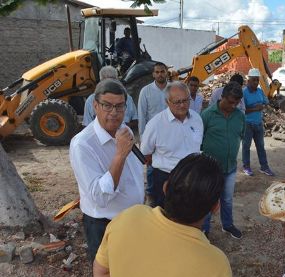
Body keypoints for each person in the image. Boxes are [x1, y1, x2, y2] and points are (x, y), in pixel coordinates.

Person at [93, 153, 235, 277]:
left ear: (166, 187)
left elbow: (102, 271)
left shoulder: (126, 218)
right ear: (215, 207)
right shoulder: (215, 266)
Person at [70, 79, 144, 262]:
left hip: (132, 219)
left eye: (120, 106)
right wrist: (119, 155)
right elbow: (100, 197)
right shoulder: (82, 145)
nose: (114, 113)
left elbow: (133, 171)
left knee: (130, 268)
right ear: (95, 106)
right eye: (107, 106)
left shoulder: (123, 129)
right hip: (104, 225)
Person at [141, 81, 203, 208]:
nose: (182, 105)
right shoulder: (156, 124)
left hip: (192, 177)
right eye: (177, 102)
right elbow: (146, 153)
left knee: (188, 214)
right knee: (166, 217)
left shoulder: (197, 119)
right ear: (167, 102)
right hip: (165, 178)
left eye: (186, 100)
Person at [201, 82, 246, 239]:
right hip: (210, 168)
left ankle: (227, 225)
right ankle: (204, 229)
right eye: (230, 102)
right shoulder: (207, 115)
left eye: (236, 103)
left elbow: (240, 135)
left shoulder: (240, 116)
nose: (233, 106)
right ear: (222, 97)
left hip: (230, 168)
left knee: (226, 199)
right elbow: (198, 139)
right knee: (208, 200)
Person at [138, 62, 169, 202]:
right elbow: (142, 115)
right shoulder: (146, 91)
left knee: (168, 163)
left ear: (166, 72)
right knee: (151, 166)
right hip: (152, 136)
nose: (160, 74)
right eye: (157, 72)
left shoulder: (172, 89)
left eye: (162, 71)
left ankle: (168, 193)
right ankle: (151, 196)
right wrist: (143, 138)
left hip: (170, 134)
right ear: (153, 74)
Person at [242, 68, 274, 177]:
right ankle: (246, 167)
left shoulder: (260, 91)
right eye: (254, 80)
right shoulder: (244, 93)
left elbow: (266, 102)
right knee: (246, 146)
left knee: (260, 146)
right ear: (249, 80)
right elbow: (241, 110)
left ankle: (264, 167)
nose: (256, 82)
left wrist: (265, 106)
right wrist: (255, 108)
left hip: (258, 123)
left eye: (257, 80)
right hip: (247, 124)